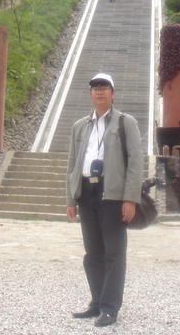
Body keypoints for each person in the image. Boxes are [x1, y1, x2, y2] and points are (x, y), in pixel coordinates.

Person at [67, 72, 143, 328]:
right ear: (90, 93)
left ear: (113, 93)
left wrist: (130, 198)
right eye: (95, 87)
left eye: (104, 87)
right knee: (92, 253)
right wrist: (70, 199)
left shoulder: (125, 122)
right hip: (86, 193)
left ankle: (110, 308)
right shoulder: (80, 126)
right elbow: (72, 165)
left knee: (114, 253)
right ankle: (97, 302)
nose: (99, 91)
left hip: (112, 194)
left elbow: (135, 162)